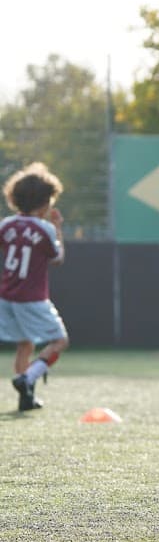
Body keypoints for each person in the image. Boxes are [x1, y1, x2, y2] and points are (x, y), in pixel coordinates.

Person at [0, 162, 69, 411]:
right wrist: (59, 228)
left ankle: (26, 398)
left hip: (6, 297)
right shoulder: (45, 228)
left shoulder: (5, 225)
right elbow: (57, 259)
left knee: (25, 343)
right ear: (44, 202)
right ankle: (27, 379)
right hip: (32, 298)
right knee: (60, 341)